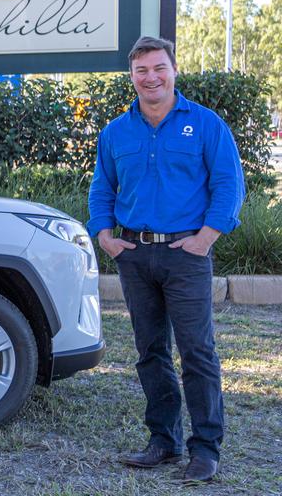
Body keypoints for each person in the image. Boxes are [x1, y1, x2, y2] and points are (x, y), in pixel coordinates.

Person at [87, 36, 244, 484]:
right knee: (150, 351)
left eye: (159, 68)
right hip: (135, 256)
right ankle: (163, 440)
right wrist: (105, 236)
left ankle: (206, 448)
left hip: (186, 255)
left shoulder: (206, 124)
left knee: (197, 351)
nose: (151, 77)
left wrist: (207, 236)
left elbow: (229, 184)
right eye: (142, 70)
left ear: (174, 71)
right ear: (132, 76)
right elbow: (103, 187)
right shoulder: (117, 131)